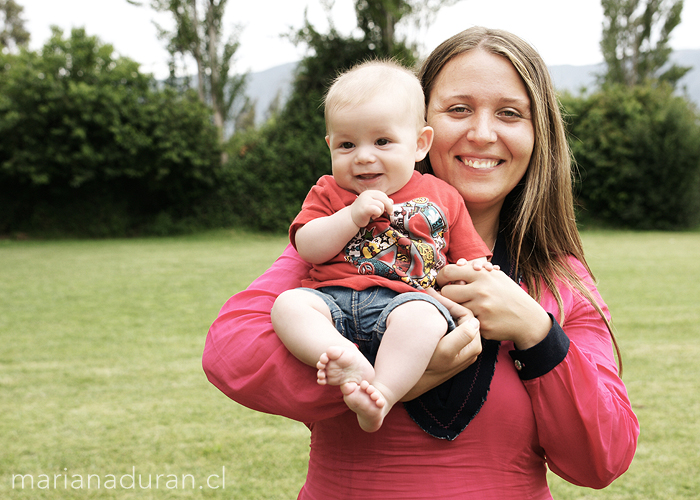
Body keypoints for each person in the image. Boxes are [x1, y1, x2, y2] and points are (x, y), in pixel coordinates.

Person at [203, 26, 639, 499]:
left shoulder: (559, 276)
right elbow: (231, 352)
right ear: (418, 124)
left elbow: (604, 458)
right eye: (459, 109)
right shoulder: (345, 238)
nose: (482, 133)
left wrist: (536, 330)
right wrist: (390, 380)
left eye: (510, 113)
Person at [270, 60, 491, 435]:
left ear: (420, 144)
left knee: (426, 319)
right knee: (287, 306)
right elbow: (307, 246)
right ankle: (345, 359)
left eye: (382, 141)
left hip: (405, 302)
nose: (364, 156)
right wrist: (350, 217)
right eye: (346, 144)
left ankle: (381, 394)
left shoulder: (443, 196)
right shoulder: (328, 191)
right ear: (330, 146)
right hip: (333, 302)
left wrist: (481, 269)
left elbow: (470, 256)